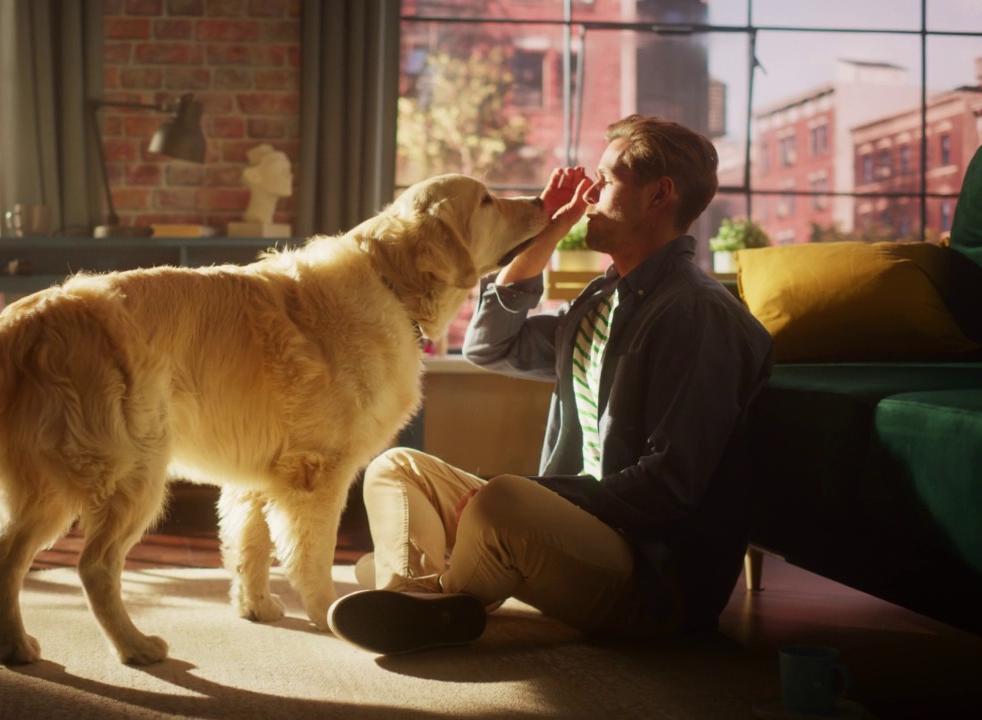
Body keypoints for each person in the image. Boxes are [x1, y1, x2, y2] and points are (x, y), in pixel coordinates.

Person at [326, 115, 775, 655]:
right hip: (572, 534)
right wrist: (548, 229)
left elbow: (669, 487)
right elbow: (491, 345)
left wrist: (530, 497)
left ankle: (427, 577)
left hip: (652, 579)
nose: (588, 195)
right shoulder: (603, 299)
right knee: (396, 467)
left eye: (606, 182)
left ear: (659, 196)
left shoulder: (697, 315)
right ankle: (418, 596)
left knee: (505, 500)